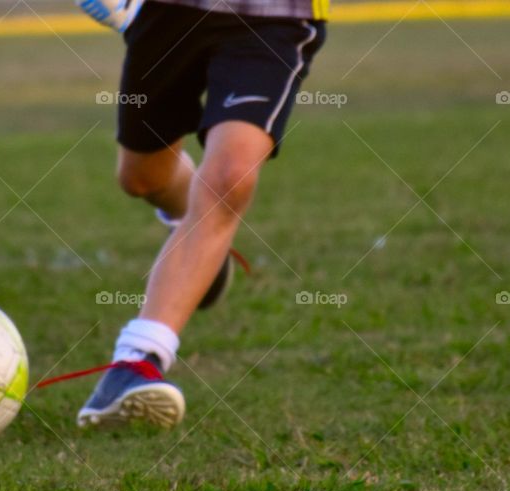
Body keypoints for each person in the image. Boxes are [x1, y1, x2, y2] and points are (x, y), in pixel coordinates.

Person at [53, 0, 328, 428]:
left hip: (275, 16)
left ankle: (136, 361)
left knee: (230, 177)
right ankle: (199, 243)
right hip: (170, 11)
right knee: (144, 177)